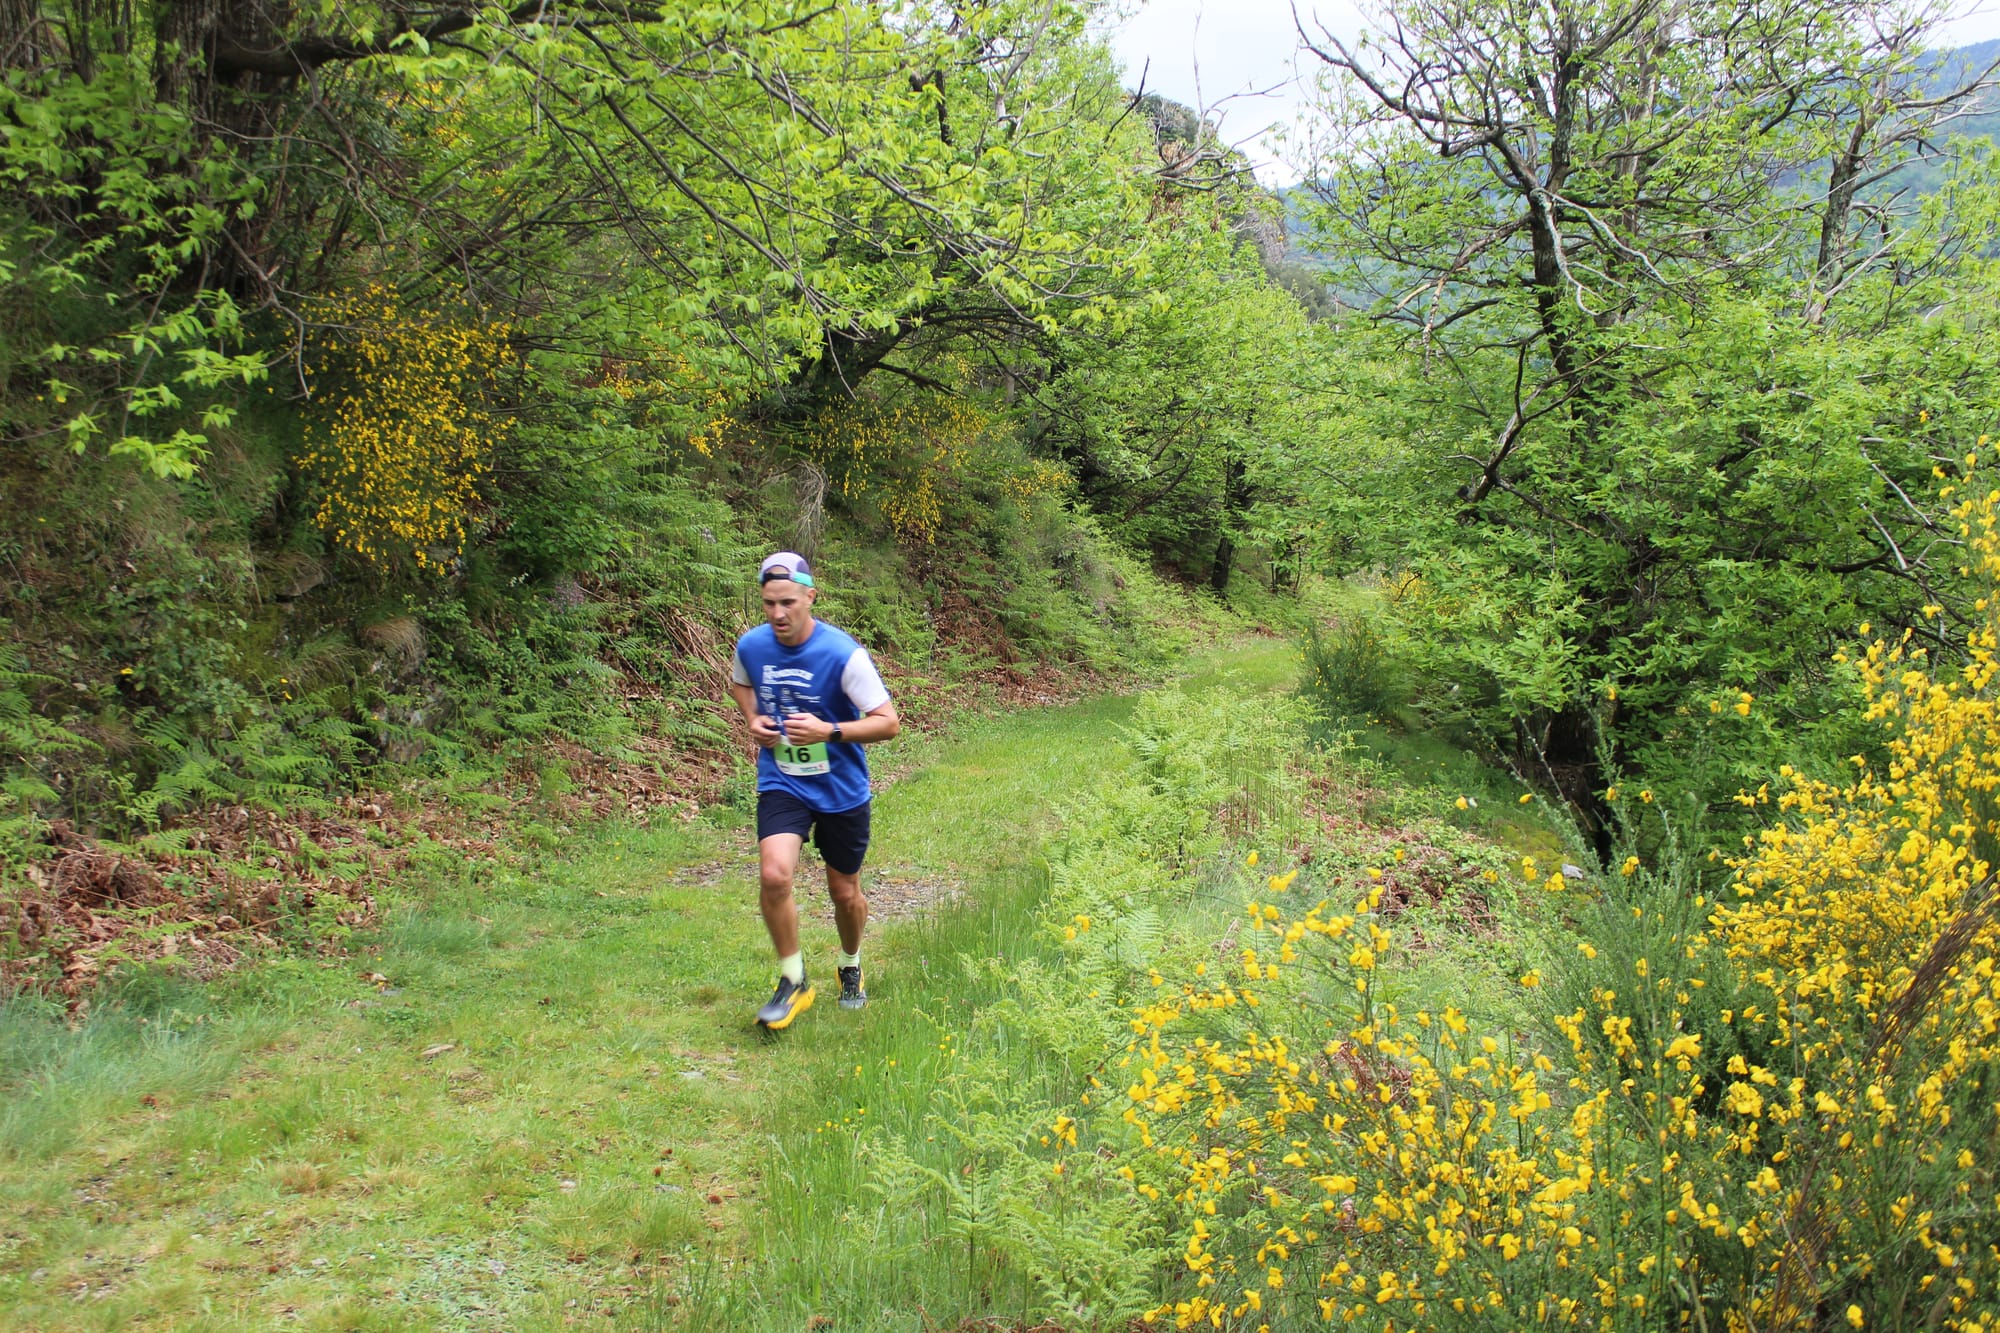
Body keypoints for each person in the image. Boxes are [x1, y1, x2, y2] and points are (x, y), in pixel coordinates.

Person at [728, 552, 900, 1029]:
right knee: (775, 875)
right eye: (768, 604)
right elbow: (740, 682)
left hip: (841, 788)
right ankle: (793, 979)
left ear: (810, 597)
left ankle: (850, 965)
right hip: (782, 779)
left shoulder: (842, 653)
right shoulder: (753, 646)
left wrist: (829, 731)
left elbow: (889, 724)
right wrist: (752, 719)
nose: (778, 614)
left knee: (844, 892)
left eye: (787, 602)